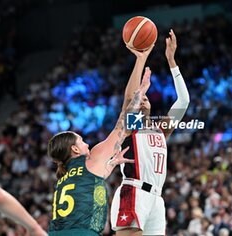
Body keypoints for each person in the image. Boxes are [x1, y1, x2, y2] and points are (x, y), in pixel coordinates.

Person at [47, 67, 152, 235]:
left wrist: (111, 164)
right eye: (82, 141)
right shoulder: (89, 160)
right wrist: (140, 93)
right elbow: (125, 126)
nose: (87, 145)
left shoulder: (65, 176)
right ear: (74, 149)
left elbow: (88, 186)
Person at [111, 29, 190, 236]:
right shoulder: (132, 126)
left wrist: (172, 61)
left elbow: (183, 102)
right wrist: (141, 60)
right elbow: (130, 100)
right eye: (141, 98)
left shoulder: (160, 129)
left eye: (146, 97)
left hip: (157, 198)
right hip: (134, 191)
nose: (143, 99)